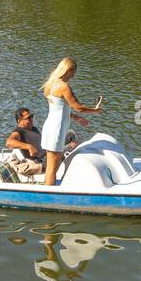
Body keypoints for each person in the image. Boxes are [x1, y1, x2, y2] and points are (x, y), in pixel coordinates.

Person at [40, 57, 102, 186]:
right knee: (53, 166)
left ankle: (49, 188)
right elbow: (78, 107)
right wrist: (95, 110)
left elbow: (59, 108)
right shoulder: (63, 87)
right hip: (56, 129)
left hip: (51, 126)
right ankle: (49, 196)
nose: (73, 76)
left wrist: (75, 118)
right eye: (74, 72)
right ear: (69, 70)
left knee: (53, 163)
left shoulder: (51, 83)